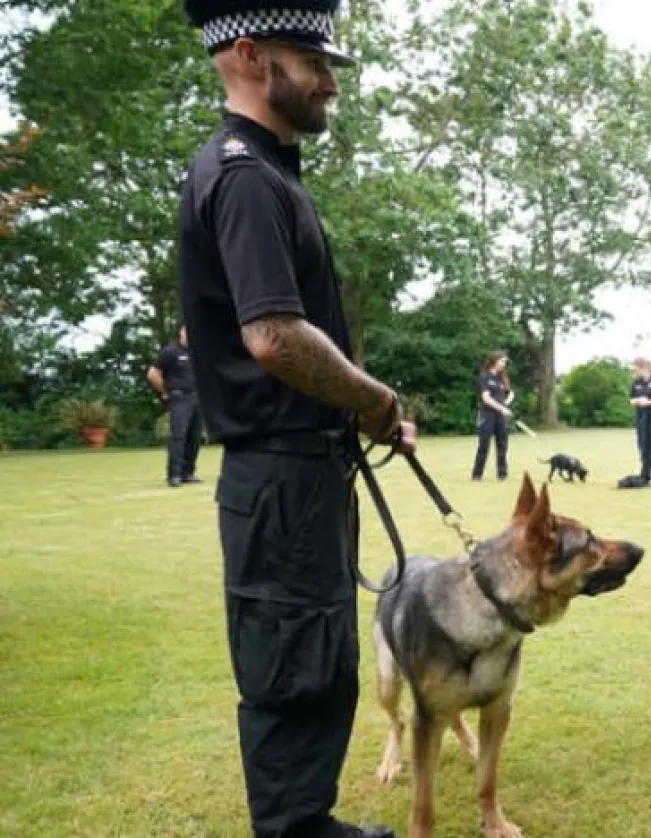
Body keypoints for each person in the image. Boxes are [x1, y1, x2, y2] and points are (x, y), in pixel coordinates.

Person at [177, 2, 412, 835]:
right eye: (315, 59)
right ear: (249, 53)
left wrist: (361, 411)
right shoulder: (243, 176)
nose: (331, 80)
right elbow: (274, 337)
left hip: (302, 472)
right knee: (290, 662)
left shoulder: (268, 173)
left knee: (318, 657)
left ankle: (307, 821)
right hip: (279, 473)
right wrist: (377, 402)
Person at [147, 326, 204, 487]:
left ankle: (188, 472)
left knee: (195, 436)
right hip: (179, 397)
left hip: (198, 398)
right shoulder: (170, 352)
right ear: (182, 333)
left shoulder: (198, 352)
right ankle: (174, 475)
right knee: (179, 435)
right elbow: (153, 373)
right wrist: (166, 391)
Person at [472, 350, 514, 481]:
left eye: (505, 362)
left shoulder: (502, 378)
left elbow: (510, 393)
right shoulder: (484, 377)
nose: (504, 364)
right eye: (502, 361)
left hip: (500, 417)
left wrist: (506, 403)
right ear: (494, 361)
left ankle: (502, 474)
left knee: (502, 445)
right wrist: (502, 408)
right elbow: (486, 398)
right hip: (487, 415)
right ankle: (477, 475)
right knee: (484, 445)